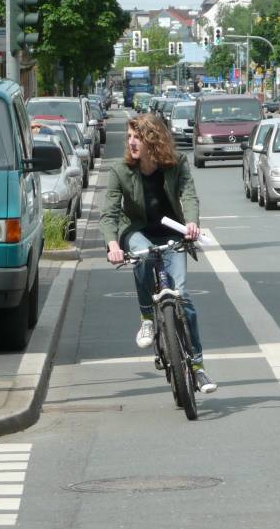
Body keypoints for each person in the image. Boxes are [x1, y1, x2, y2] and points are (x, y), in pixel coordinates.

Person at [101, 114, 216, 394]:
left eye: (136, 137)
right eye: (128, 137)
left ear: (152, 139)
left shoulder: (176, 164)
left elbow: (188, 195)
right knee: (142, 256)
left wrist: (191, 223)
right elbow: (110, 213)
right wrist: (113, 245)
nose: (130, 142)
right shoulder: (120, 170)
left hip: (171, 232)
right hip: (138, 231)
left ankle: (198, 368)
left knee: (183, 297)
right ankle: (147, 319)